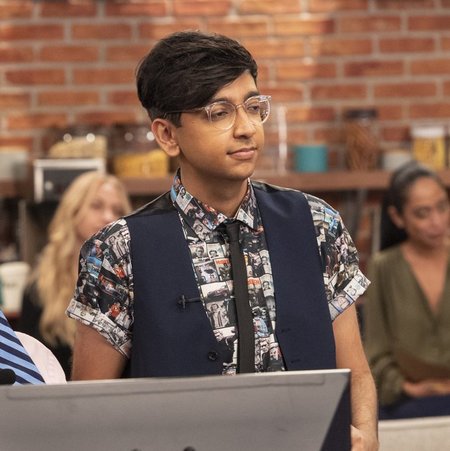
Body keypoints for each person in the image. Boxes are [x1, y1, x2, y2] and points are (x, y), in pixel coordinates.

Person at [67, 31, 378, 449]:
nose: (246, 128)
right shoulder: (117, 250)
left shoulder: (317, 223)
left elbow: (356, 372)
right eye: (219, 113)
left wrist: (367, 436)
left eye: (253, 107)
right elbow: (89, 412)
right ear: (167, 135)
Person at [18, 171, 131, 379]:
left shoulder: (132, 284)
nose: (108, 217)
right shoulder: (39, 287)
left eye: (117, 210)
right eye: (96, 206)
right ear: (73, 211)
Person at [363, 161, 450, 419]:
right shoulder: (384, 267)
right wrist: (407, 387)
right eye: (422, 213)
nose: (437, 222)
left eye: (442, 207)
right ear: (398, 217)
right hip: (408, 400)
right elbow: (375, 348)